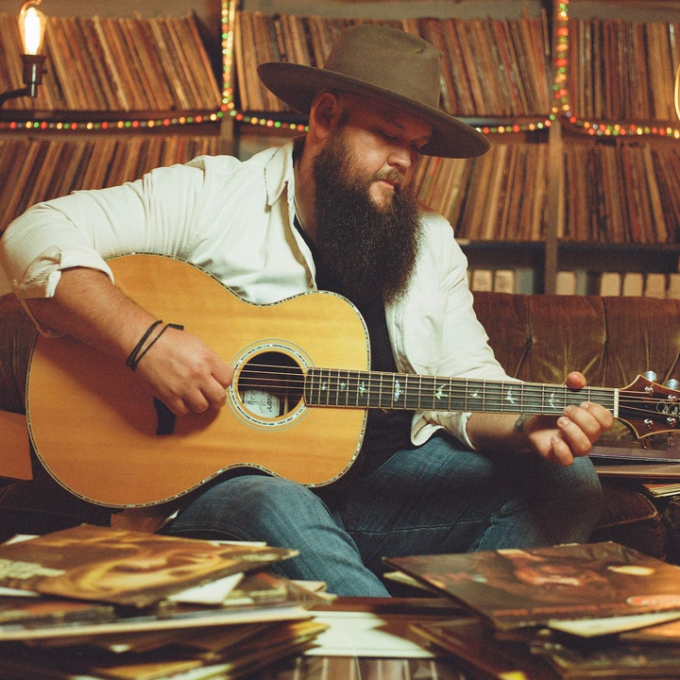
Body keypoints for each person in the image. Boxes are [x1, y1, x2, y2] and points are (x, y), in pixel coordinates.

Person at [0, 25, 613, 597]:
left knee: (568, 480)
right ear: (325, 116)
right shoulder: (215, 194)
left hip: (381, 494)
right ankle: (399, 650)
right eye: (389, 134)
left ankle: (451, 636)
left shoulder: (429, 242)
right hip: (227, 497)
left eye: (417, 147)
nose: (404, 161)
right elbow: (34, 233)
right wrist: (147, 342)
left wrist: (526, 429)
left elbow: (464, 384)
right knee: (278, 503)